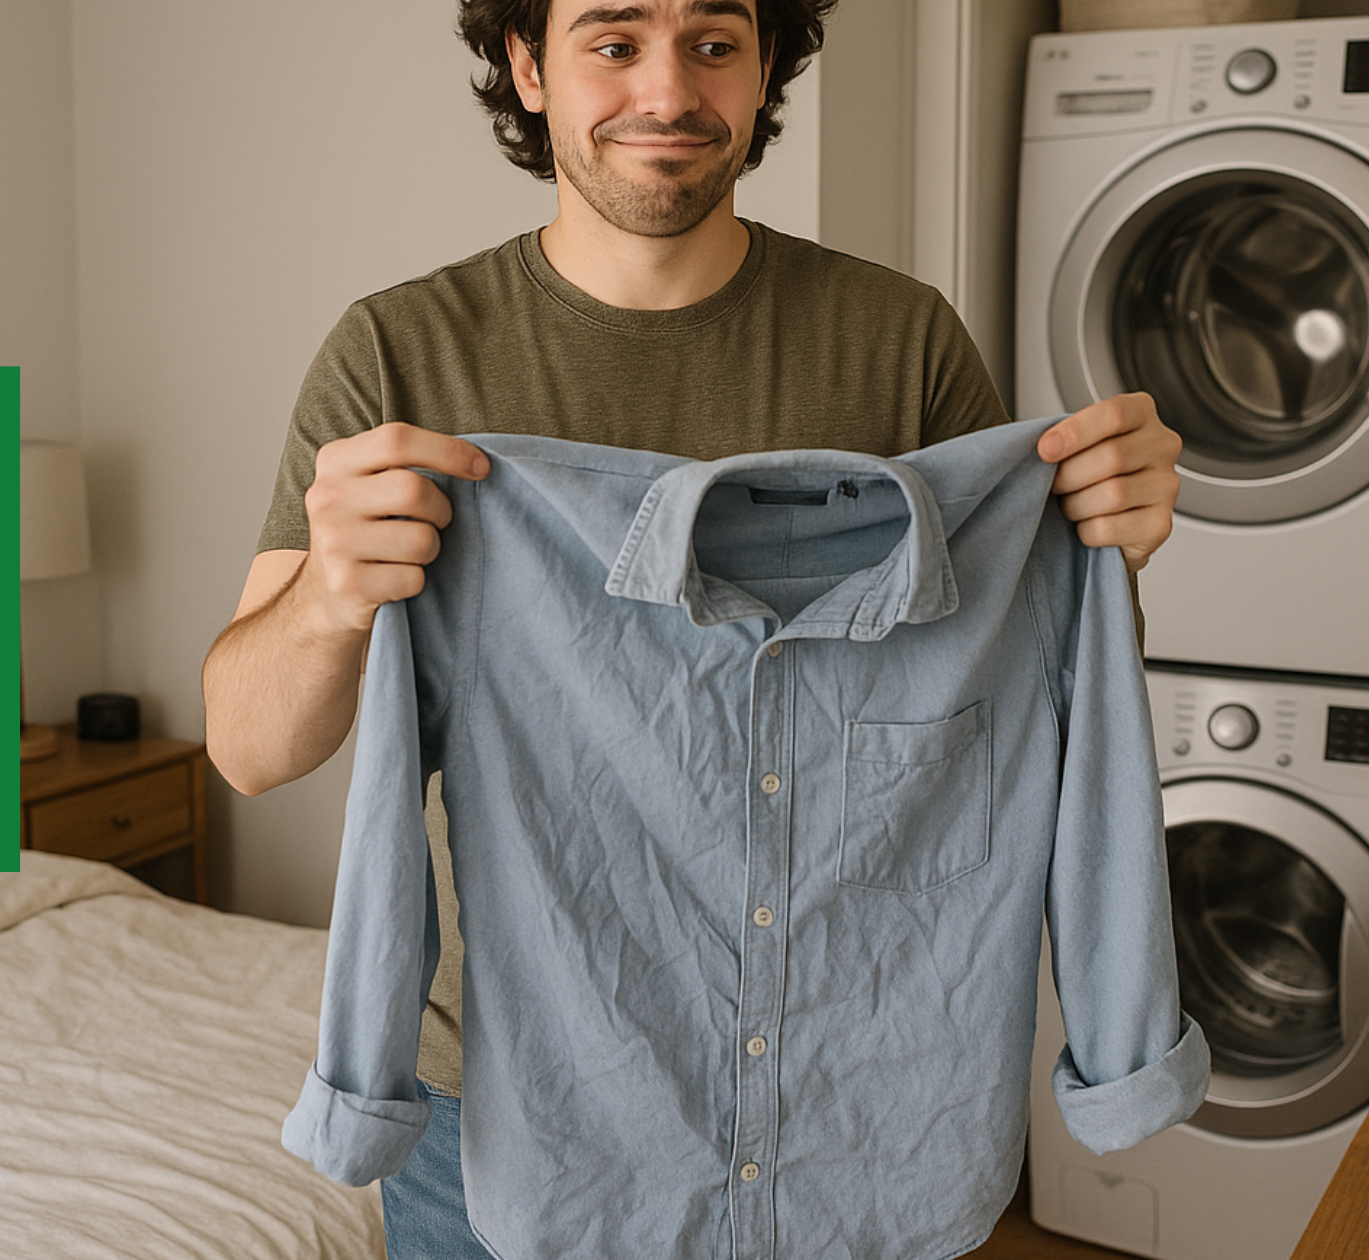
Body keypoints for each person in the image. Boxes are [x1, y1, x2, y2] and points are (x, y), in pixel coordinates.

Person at [202, 0, 1183, 1253]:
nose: (665, 92)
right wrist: (334, 594)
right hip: (509, 1102)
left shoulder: (899, 343)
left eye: (712, 43)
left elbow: (1026, 687)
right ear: (526, 65)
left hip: (847, 1097)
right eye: (611, 42)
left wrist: (1112, 551)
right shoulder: (401, 360)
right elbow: (246, 747)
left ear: (764, 62)